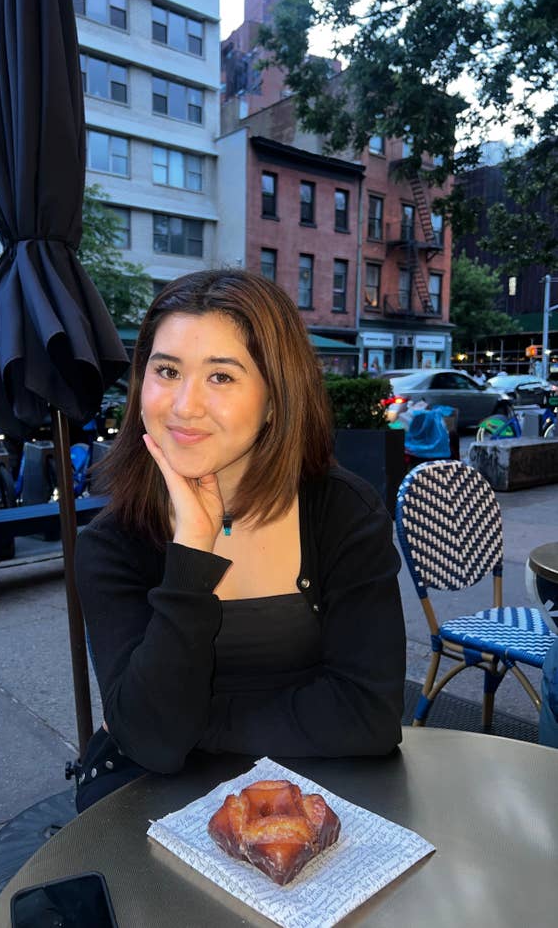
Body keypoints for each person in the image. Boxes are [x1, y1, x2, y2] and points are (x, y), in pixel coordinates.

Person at [74, 270, 406, 811]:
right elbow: (150, 746)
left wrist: (194, 721)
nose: (183, 406)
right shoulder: (113, 544)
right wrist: (190, 556)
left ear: (275, 398)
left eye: (221, 377)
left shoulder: (341, 513)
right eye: (167, 370)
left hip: (323, 794)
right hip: (147, 804)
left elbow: (369, 715)